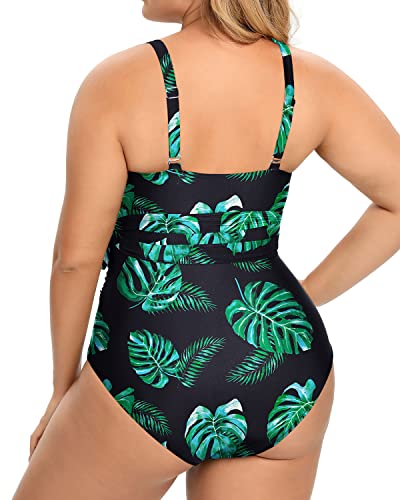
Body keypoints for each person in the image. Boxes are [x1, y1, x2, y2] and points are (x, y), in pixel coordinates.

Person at [12, 1, 400, 499]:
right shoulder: (309, 80)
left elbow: (75, 260)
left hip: (149, 373)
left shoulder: (120, 81)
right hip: (285, 373)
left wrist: (63, 389)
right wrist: (302, 296)